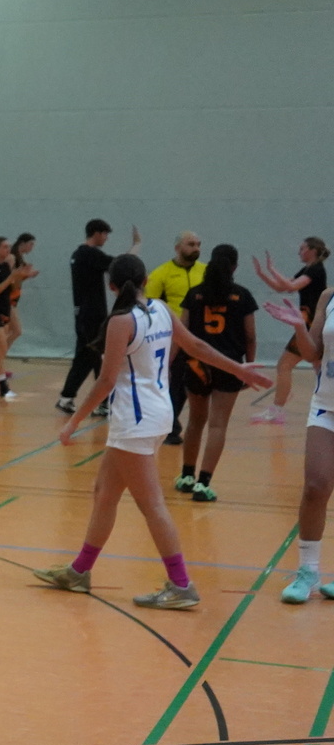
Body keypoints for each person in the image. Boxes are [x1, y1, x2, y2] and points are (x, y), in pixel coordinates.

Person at [35, 254, 269, 609]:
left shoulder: (121, 321)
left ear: (112, 286)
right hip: (154, 413)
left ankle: (181, 585)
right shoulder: (160, 309)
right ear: (145, 280)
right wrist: (238, 368)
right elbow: (196, 346)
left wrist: (73, 421)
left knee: (152, 505)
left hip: (136, 420)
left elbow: (107, 380)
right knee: (104, 494)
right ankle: (79, 571)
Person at [264, 282, 334, 604]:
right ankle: (308, 571)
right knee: (315, 487)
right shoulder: (328, 296)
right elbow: (312, 353)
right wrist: (299, 327)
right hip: (326, 406)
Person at [174, 244, 257, 502]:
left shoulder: (195, 294)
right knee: (218, 424)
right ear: (235, 266)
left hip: (197, 365)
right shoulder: (242, 296)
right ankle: (203, 484)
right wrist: (248, 368)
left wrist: (171, 363)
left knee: (195, 421)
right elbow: (250, 336)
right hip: (229, 366)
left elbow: (182, 332)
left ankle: (187, 476)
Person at [59, 220, 143, 413]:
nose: (106, 238)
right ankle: (103, 402)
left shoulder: (78, 254)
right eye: (105, 234)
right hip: (92, 314)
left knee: (86, 356)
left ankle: (67, 397)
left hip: (82, 313)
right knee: (100, 355)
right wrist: (136, 245)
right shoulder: (90, 254)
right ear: (96, 233)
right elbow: (123, 266)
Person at [250, 237, 330, 423]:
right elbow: (282, 287)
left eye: (302, 248)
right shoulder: (308, 269)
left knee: (284, 365)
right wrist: (262, 274)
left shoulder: (316, 270)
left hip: (312, 326)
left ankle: (277, 410)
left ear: (312, 250)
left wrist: (271, 269)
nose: (299, 252)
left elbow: (291, 286)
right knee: (320, 368)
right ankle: (323, 406)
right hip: (312, 325)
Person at [146, 232, 207, 444]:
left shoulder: (206, 272)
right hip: (174, 337)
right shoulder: (161, 273)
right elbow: (148, 304)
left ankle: (175, 425)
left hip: (202, 336)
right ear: (177, 247)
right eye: (191, 244)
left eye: (198, 244)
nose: (196, 248)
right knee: (175, 382)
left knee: (196, 383)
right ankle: (169, 427)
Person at [0, 233, 38, 401]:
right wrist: (15, 276)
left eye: (8, 247)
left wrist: (24, 276)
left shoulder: (8, 265)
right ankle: (1, 383)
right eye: (5, 247)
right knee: (2, 346)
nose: (8, 250)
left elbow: (12, 284)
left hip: (5, 305)